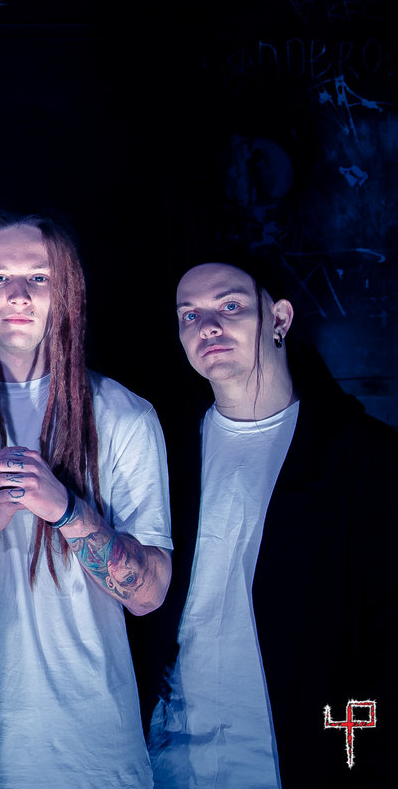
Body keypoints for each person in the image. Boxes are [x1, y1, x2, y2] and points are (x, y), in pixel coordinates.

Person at [0, 211, 173, 788]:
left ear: (67, 291)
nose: (19, 294)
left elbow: (149, 595)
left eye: (38, 277)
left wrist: (67, 511)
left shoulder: (123, 415)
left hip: (95, 755)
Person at [133, 260, 397, 787]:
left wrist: (360, 765)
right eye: (189, 315)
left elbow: (388, 637)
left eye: (230, 306)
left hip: (297, 759)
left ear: (279, 318)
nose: (208, 326)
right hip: (172, 759)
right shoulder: (163, 451)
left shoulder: (364, 456)